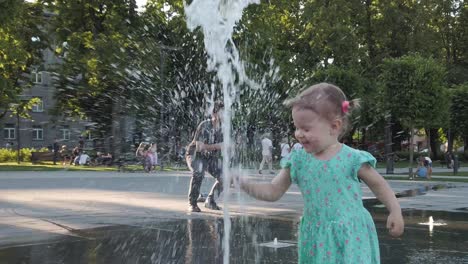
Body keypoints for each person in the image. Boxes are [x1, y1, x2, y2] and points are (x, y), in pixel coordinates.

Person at [235, 83, 404, 263]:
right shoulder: (298, 160)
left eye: (306, 129)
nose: (299, 134)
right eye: (296, 127)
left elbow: (379, 185)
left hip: (350, 235)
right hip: (316, 237)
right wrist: (245, 184)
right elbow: (273, 191)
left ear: (334, 126)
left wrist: (395, 210)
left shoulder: (352, 159)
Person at [185, 101, 224, 213]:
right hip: (194, 154)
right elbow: (199, 147)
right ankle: (192, 203)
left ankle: (210, 201)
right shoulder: (205, 125)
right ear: (214, 114)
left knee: (225, 176)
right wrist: (219, 146)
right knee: (199, 171)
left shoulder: (224, 129)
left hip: (209, 157)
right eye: (222, 113)